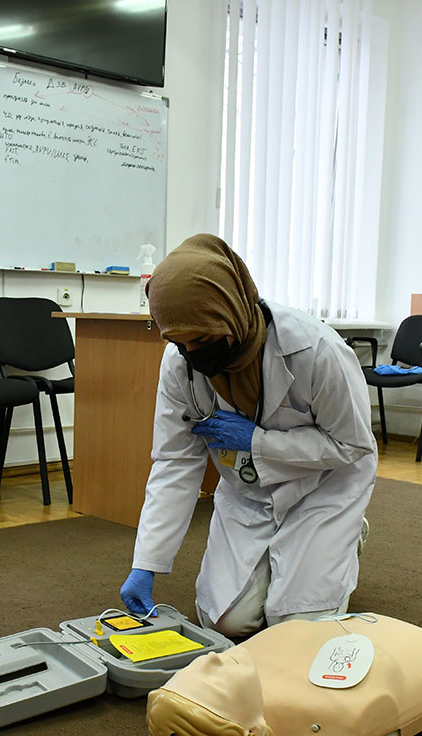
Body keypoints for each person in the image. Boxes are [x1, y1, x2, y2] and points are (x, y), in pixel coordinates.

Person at [118, 234, 378, 639]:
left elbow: (353, 445)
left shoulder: (317, 351)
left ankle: (346, 535)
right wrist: (146, 562)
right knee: (225, 622)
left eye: (202, 339)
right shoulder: (180, 364)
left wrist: (258, 442)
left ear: (231, 312)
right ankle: (280, 566)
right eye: (178, 341)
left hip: (323, 486)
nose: (192, 353)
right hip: (249, 492)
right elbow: (175, 462)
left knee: (296, 628)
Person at [146, 613, 422, 736]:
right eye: (213, 681)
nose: (212, 658)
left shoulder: (246, 665)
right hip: (419, 648)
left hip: (352, 625)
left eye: (194, 668)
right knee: (231, 615)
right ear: (253, 735)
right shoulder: (334, 711)